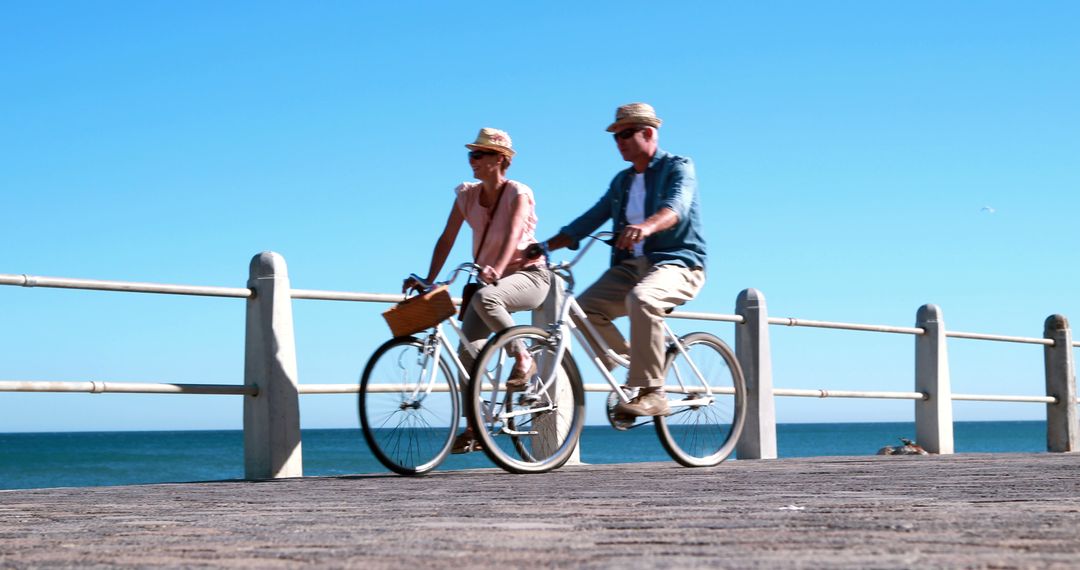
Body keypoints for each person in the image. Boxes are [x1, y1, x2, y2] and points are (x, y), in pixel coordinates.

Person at [535, 103, 706, 417]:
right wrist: (543, 247)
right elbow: (588, 221)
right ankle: (638, 367)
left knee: (642, 299)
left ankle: (654, 391)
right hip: (631, 267)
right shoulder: (622, 182)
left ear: (649, 133)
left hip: (677, 262)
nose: (619, 141)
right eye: (616, 136)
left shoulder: (678, 166)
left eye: (626, 134)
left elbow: (675, 208)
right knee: (581, 310)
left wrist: (645, 227)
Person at [405, 128, 550, 452]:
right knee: (467, 354)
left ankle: (523, 356)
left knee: (487, 297)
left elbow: (514, 234)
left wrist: (497, 268)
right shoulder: (467, 196)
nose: (472, 160)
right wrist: (429, 280)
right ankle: (475, 429)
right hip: (489, 281)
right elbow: (447, 238)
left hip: (528, 276)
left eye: (479, 154)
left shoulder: (518, 193)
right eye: (471, 154)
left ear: (501, 159)